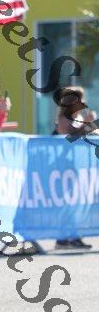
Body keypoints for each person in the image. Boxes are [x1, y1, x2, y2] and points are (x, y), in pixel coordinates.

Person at [52, 86, 98, 249]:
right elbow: (68, 137)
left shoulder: (79, 117)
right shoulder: (63, 119)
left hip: (77, 166)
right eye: (81, 100)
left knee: (77, 202)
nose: (84, 103)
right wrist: (90, 125)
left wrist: (92, 126)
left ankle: (72, 237)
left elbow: (89, 135)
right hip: (63, 167)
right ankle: (64, 239)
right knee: (68, 202)